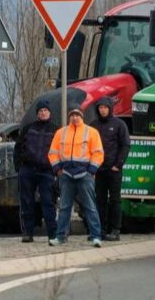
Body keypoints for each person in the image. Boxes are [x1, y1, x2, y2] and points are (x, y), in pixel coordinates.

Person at [47, 106, 105, 247]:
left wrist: (91, 170)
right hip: (66, 174)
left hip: (85, 174)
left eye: (77, 115)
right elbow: (52, 152)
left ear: (82, 116)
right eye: (72, 115)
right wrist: (57, 169)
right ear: (69, 117)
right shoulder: (61, 133)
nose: (74, 117)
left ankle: (95, 236)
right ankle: (60, 237)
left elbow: (98, 153)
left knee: (90, 206)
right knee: (64, 207)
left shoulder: (91, 132)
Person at [13, 100, 57, 243]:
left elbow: (61, 151)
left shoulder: (56, 130)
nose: (43, 113)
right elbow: (18, 148)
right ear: (37, 113)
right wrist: (19, 168)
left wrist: (56, 170)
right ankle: (27, 233)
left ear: (49, 113)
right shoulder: (28, 128)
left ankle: (52, 234)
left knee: (48, 202)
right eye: (40, 111)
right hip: (28, 170)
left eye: (45, 110)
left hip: (47, 171)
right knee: (26, 202)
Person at [90, 97, 130, 241]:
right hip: (99, 170)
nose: (103, 110)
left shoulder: (119, 124)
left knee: (115, 200)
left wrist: (118, 165)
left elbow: (125, 145)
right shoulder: (93, 125)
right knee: (99, 201)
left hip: (114, 170)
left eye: (105, 107)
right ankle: (100, 229)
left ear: (110, 108)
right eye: (100, 108)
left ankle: (115, 230)